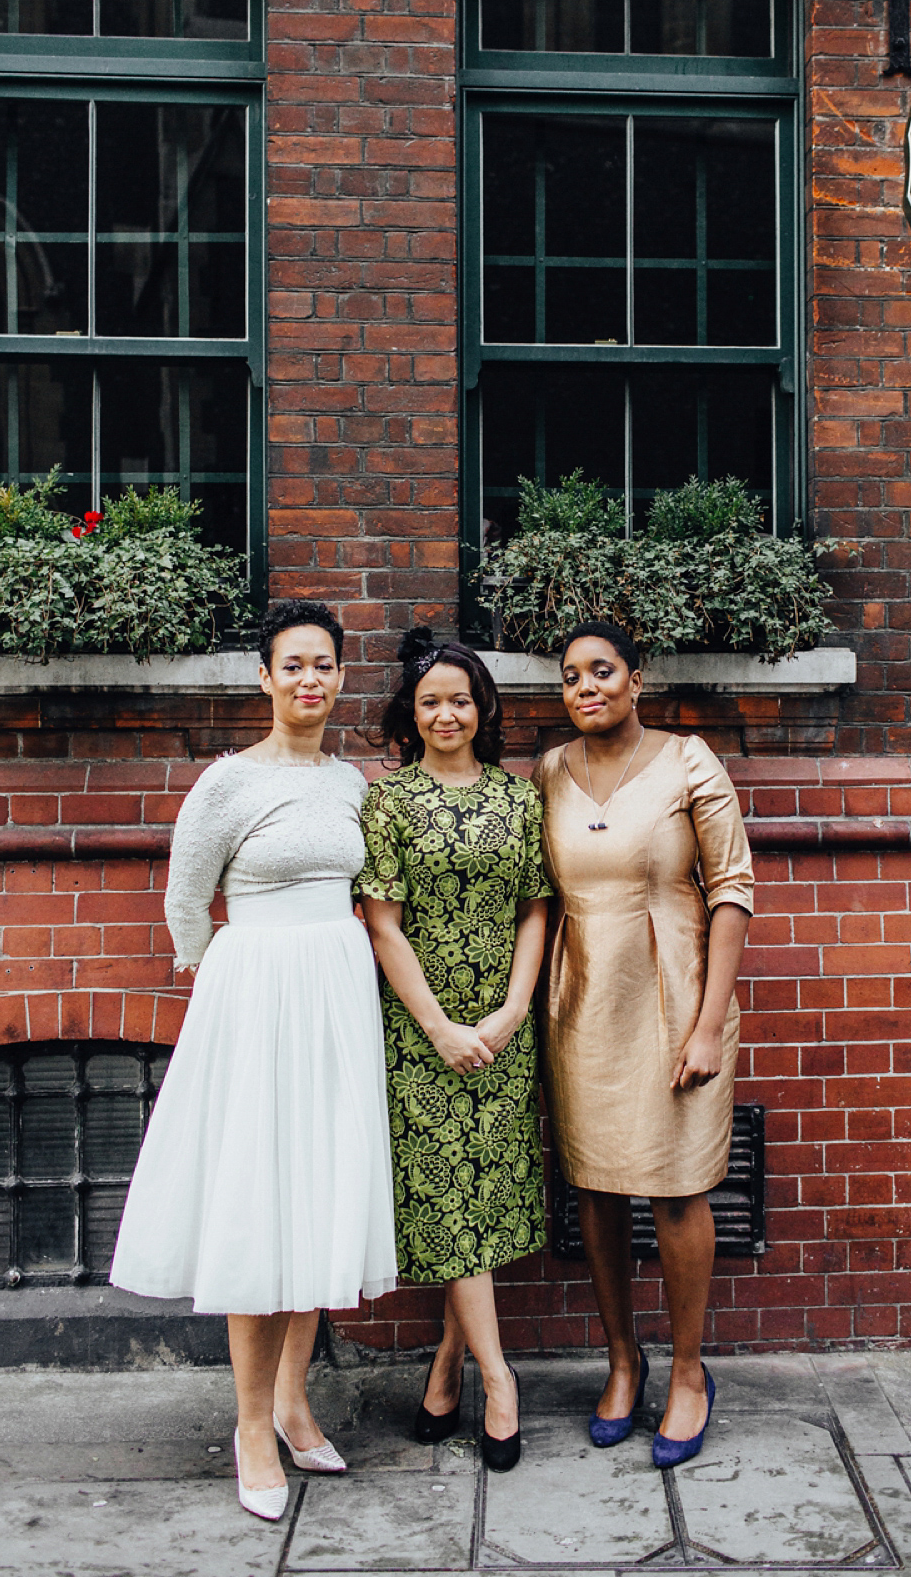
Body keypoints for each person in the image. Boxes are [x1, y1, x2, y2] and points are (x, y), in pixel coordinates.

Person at [110, 599, 397, 1521]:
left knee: (314, 1194)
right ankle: (248, 1427)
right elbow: (187, 901)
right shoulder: (226, 784)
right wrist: (229, 983)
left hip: (337, 994)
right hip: (258, 996)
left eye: (325, 664)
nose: (310, 679)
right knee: (258, 1199)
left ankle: (293, 1401)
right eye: (293, 665)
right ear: (264, 678)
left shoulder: (352, 783)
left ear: (340, 677)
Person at [533, 619, 754, 1469]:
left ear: (635, 681)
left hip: (674, 996)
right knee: (594, 1188)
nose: (586, 687)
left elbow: (731, 889)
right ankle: (622, 1361)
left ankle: (691, 1372)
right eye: (571, 677)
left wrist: (707, 1022)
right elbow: (535, 897)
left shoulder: (689, 760)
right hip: (582, 997)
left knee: (673, 1190)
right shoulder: (550, 771)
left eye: (601, 671)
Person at [360, 627, 550, 1473]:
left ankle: (444, 1369)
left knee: (486, 1193)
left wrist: (514, 1009)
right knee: (448, 1198)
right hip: (421, 1031)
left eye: (460, 700)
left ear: (484, 711)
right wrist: (439, 1026)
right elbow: (382, 920)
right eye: (431, 700)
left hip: (505, 1030)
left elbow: (536, 907)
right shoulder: (390, 801)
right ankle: (498, 1382)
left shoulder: (519, 800)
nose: (446, 713)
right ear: (412, 711)